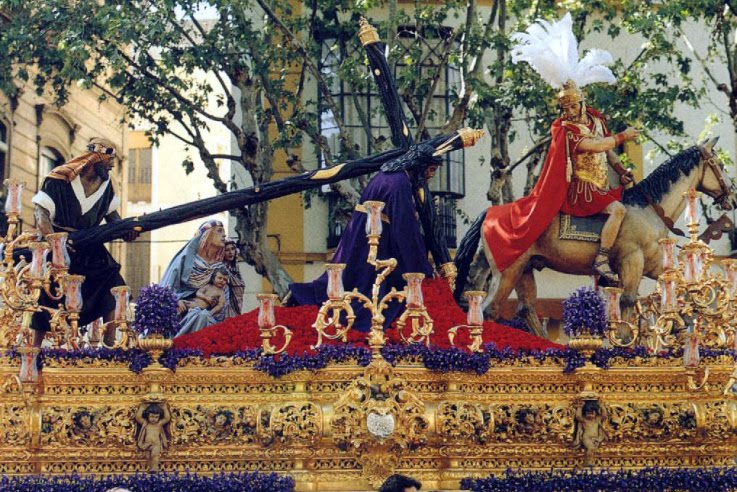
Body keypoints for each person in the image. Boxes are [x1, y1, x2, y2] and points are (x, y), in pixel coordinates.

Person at [484, 12, 639, 286]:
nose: (568, 112)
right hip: (582, 190)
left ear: (581, 102)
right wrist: (623, 136)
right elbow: (596, 145)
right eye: (564, 108)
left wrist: (619, 168)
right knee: (619, 212)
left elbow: (606, 150)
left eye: (571, 107)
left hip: (601, 184)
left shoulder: (595, 119)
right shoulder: (567, 130)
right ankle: (602, 259)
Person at [287, 155, 440, 331]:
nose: (430, 176)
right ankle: (305, 295)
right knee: (369, 285)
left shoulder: (388, 175)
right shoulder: (400, 183)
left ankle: (304, 293)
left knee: (352, 277)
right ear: (419, 165)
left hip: (364, 232)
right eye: (431, 170)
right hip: (377, 239)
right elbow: (404, 226)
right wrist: (422, 266)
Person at [31, 138, 135, 348]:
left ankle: (109, 343)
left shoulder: (106, 186)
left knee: (115, 282)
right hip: (60, 244)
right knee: (46, 292)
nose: (112, 165)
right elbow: (40, 214)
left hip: (89, 246)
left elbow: (113, 217)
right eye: (109, 161)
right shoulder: (59, 179)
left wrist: (127, 230)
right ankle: (33, 350)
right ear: (95, 159)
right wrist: (54, 243)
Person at [160, 220, 229, 337]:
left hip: (208, 313)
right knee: (199, 316)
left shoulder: (220, 267)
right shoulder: (186, 259)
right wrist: (176, 301)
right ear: (207, 235)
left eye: (224, 231)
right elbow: (168, 288)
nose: (224, 235)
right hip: (182, 311)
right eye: (219, 231)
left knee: (203, 317)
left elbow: (224, 298)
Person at [135, 402, 171, 473]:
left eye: (156, 417)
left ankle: (154, 468)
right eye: (152, 416)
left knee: (154, 455)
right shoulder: (146, 423)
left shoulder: (159, 424)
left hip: (156, 443)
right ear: (147, 416)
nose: (154, 419)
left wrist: (165, 409)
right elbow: (138, 418)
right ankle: (150, 467)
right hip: (146, 444)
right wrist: (142, 408)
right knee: (148, 456)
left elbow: (167, 418)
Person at [223, 239, 245, 318]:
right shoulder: (221, 268)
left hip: (237, 304)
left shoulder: (235, 268)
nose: (230, 252)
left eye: (232, 249)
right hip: (226, 305)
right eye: (227, 250)